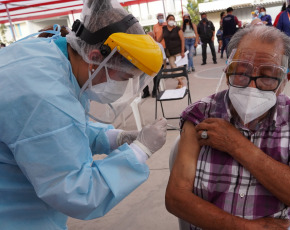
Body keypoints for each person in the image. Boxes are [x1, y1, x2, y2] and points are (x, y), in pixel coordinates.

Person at [0, 1, 168, 229]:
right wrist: (140, 151)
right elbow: (79, 193)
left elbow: (60, 130)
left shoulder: (52, 56)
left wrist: (113, 138)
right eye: (124, 78)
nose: (120, 88)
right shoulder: (46, 96)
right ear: (97, 57)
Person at [166, 25, 290, 230]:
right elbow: (176, 197)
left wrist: (237, 145)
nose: (251, 86)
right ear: (227, 72)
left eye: (268, 76)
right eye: (241, 73)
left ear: (284, 81)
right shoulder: (200, 114)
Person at [157, 14, 185, 88]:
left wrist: (182, 51)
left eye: (173, 19)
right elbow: (159, 39)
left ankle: (180, 82)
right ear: (167, 20)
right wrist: (153, 42)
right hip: (170, 52)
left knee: (179, 67)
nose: (171, 20)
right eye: (170, 19)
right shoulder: (164, 29)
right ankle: (180, 82)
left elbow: (182, 39)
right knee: (173, 67)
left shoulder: (177, 29)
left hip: (178, 51)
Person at [142, 32, 166, 98]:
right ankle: (146, 92)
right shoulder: (143, 46)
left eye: (150, 37)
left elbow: (163, 58)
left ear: (154, 38)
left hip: (157, 65)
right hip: (147, 66)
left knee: (157, 74)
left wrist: (164, 67)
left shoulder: (159, 45)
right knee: (141, 76)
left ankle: (155, 91)